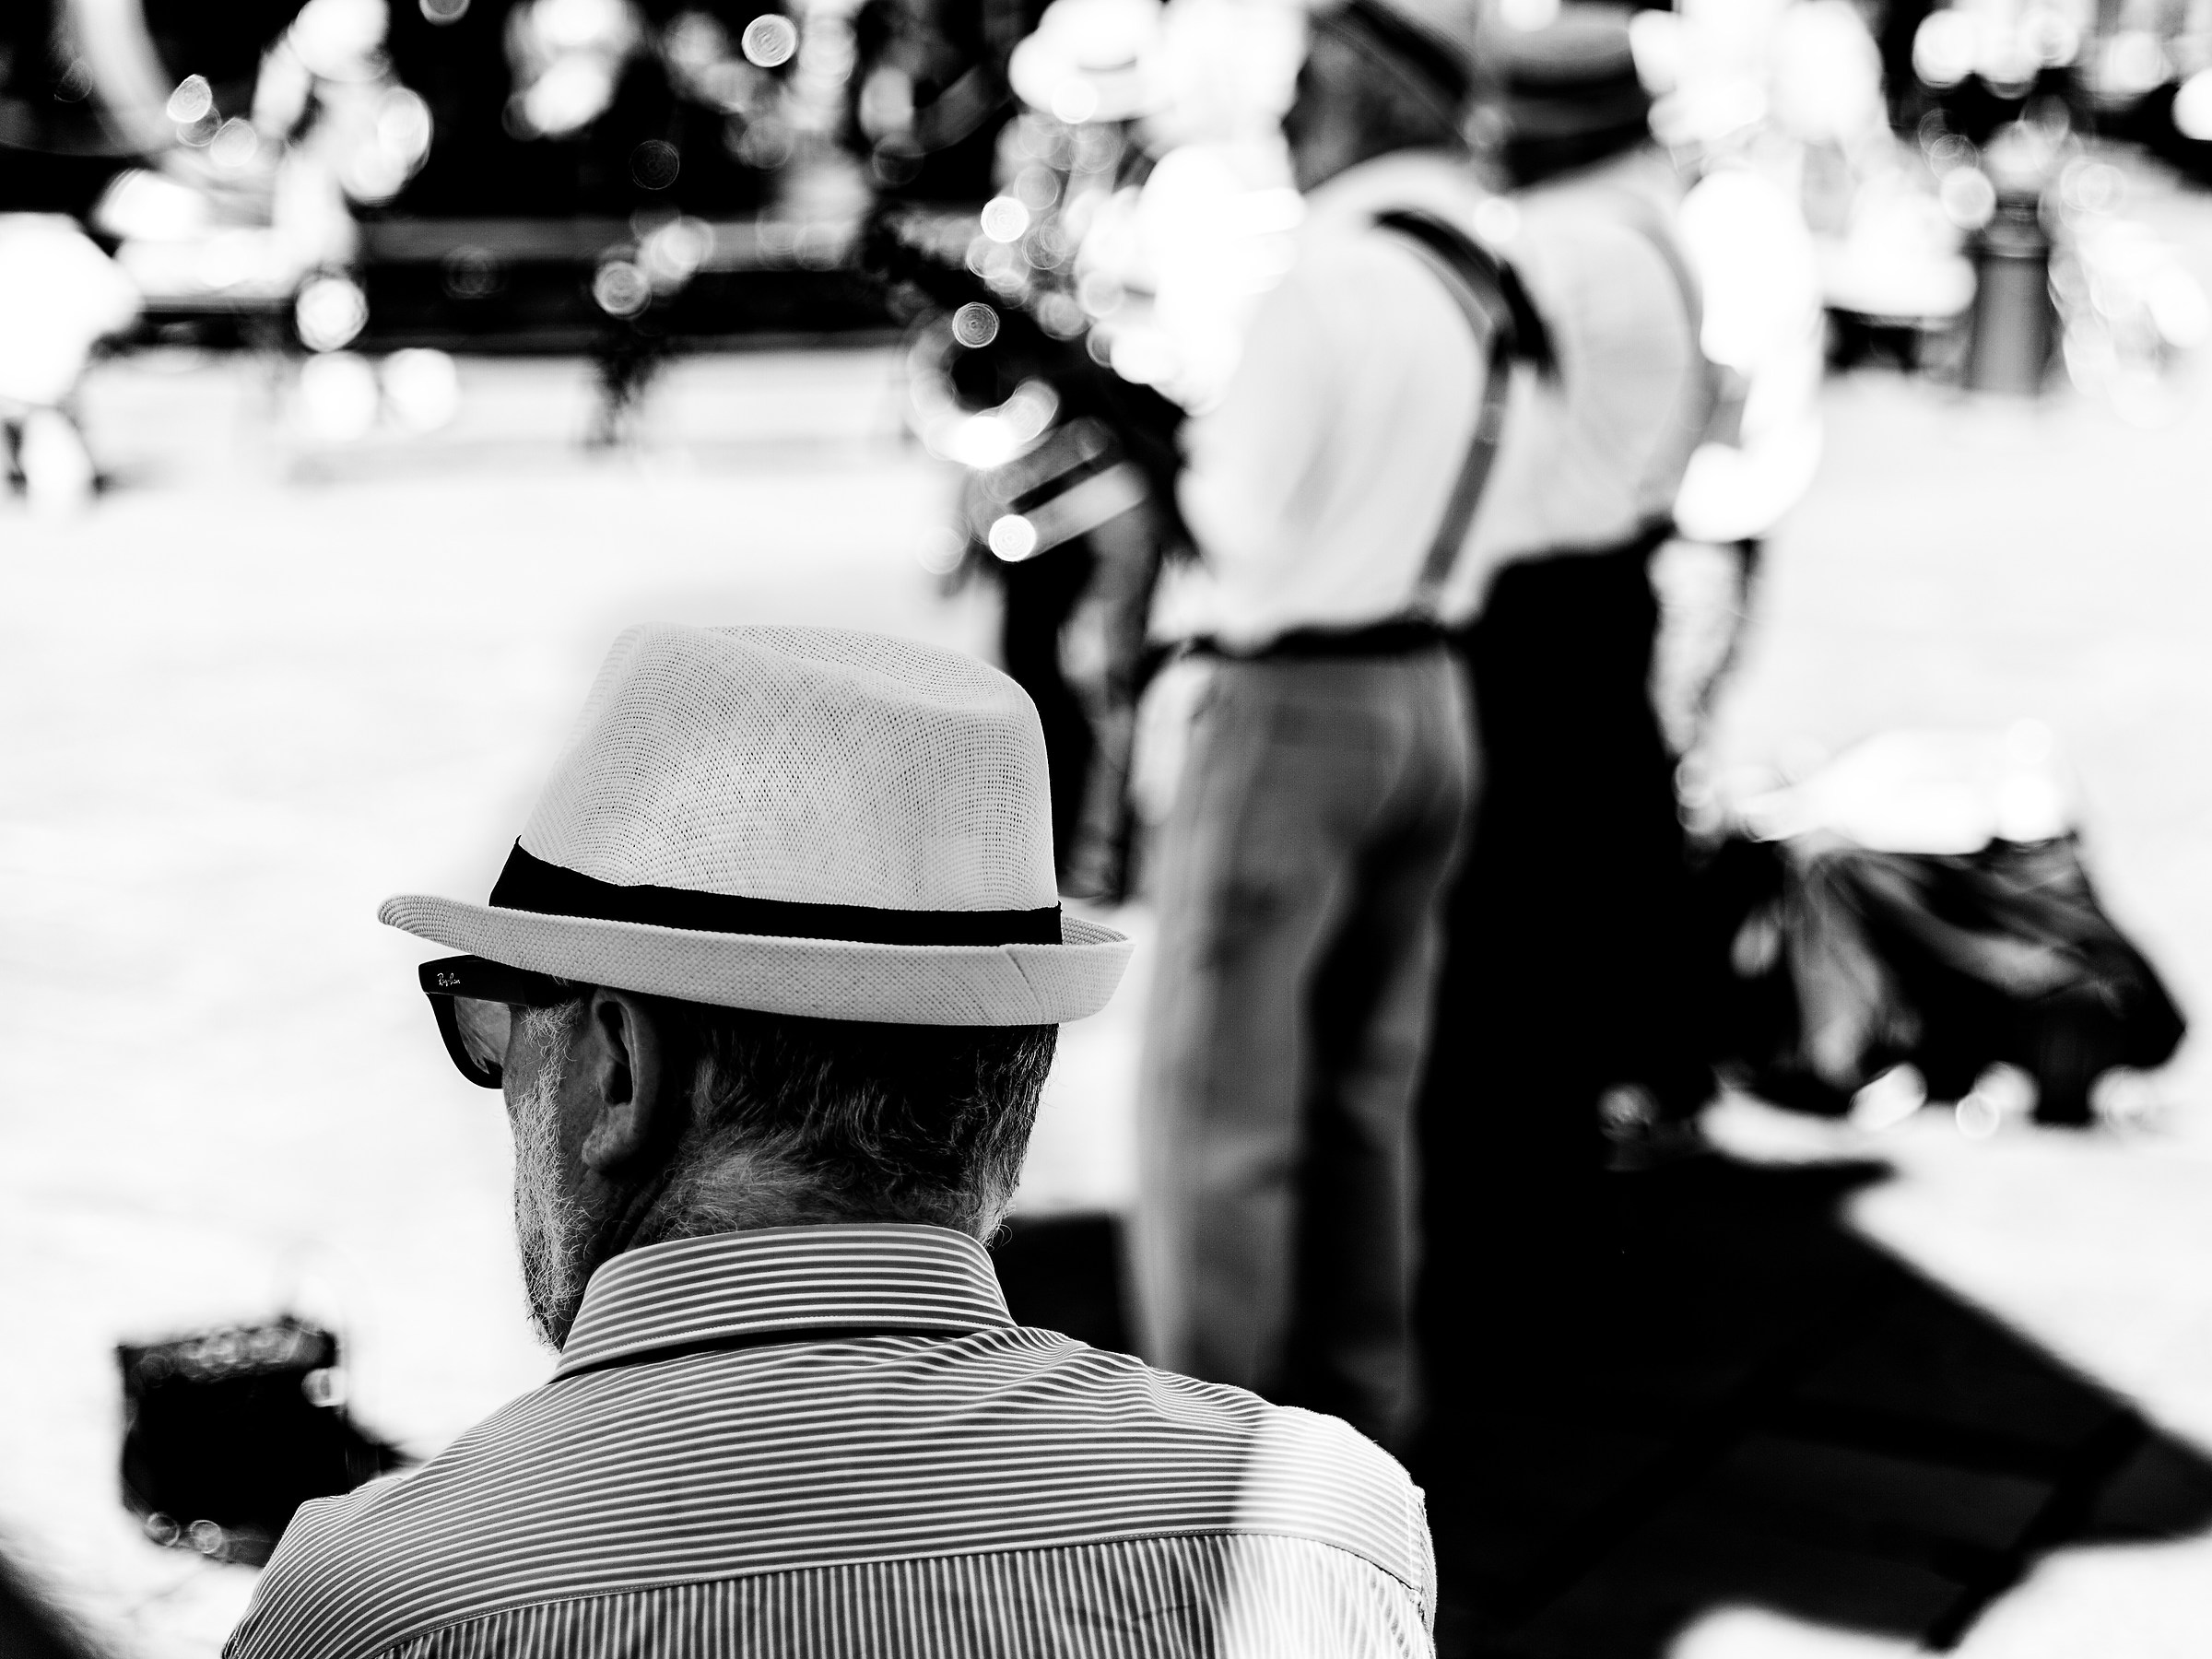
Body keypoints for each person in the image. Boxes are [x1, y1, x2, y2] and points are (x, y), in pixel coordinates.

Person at [225, 625, 1436, 1659]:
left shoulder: (375, 1607)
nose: (500, 1085)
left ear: (621, 1066)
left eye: (497, 1028)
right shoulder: (1324, 1531)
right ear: (1011, 1085)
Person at [1133, 0, 1509, 1453]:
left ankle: (1204, 1457)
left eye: (1306, 85)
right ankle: (1364, 1423)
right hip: (1432, 691)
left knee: (1217, 1108)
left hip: (1295, 707)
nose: (1288, 116)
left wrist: (1171, 457)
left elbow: (1237, 514)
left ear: (1367, 92)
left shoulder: (1327, 283)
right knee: (1363, 1093)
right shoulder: (1486, 279)